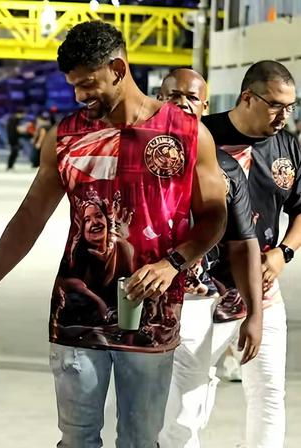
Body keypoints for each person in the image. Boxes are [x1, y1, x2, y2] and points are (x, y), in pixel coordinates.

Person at [0, 21, 227, 447]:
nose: (80, 96)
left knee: (141, 439)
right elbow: (30, 216)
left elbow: (215, 215)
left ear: (119, 68)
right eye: (73, 86)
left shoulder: (188, 134)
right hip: (76, 309)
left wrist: (174, 262)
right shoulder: (66, 137)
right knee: (77, 437)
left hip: (152, 311)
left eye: (88, 84)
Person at [156, 68, 263, 448]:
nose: (182, 103)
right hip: (141, 294)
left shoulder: (227, 168)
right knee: (133, 390)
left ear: (204, 106)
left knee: (188, 391)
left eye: (191, 97)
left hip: (199, 300)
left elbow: (242, 243)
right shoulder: (134, 154)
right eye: (173, 95)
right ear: (159, 98)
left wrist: (254, 312)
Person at [200, 60, 301, 448]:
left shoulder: (287, 145)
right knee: (190, 391)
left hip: (264, 289)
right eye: (276, 104)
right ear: (248, 97)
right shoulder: (206, 137)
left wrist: (284, 253)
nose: (284, 115)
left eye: (290, 107)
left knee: (269, 391)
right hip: (205, 291)